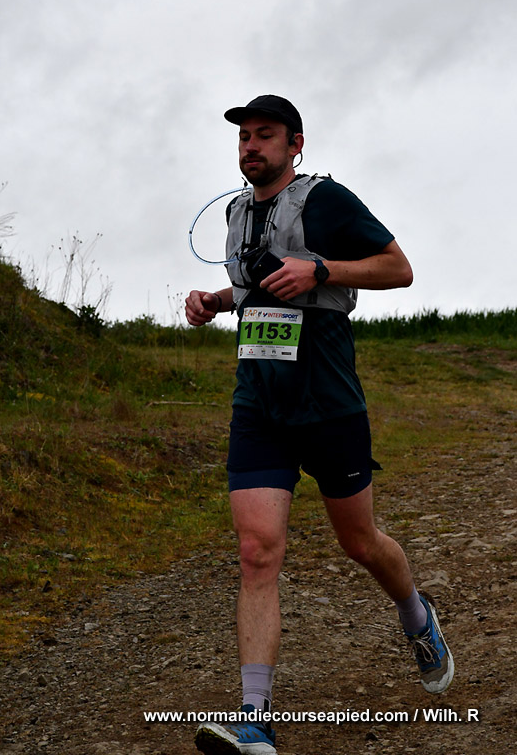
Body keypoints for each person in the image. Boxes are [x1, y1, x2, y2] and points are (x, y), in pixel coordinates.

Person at [186, 95, 453, 755]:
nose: (251, 146)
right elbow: (254, 288)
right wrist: (214, 300)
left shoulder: (325, 201)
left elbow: (399, 268)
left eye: (265, 135)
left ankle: (416, 616)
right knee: (257, 552)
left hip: (328, 403)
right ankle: (254, 722)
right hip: (259, 405)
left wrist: (322, 269)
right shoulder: (236, 213)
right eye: (244, 137)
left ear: (294, 144)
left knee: (360, 543)